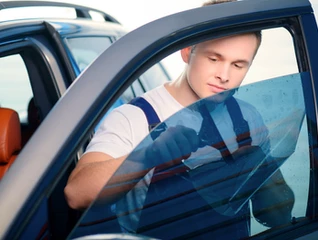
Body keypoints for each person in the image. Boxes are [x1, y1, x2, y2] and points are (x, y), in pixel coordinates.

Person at [64, 0, 294, 237]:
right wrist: (147, 155)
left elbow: (277, 216)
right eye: (214, 59)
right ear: (187, 51)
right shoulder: (135, 117)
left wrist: (262, 167)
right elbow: (76, 194)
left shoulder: (247, 117)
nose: (224, 76)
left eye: (238, 65)